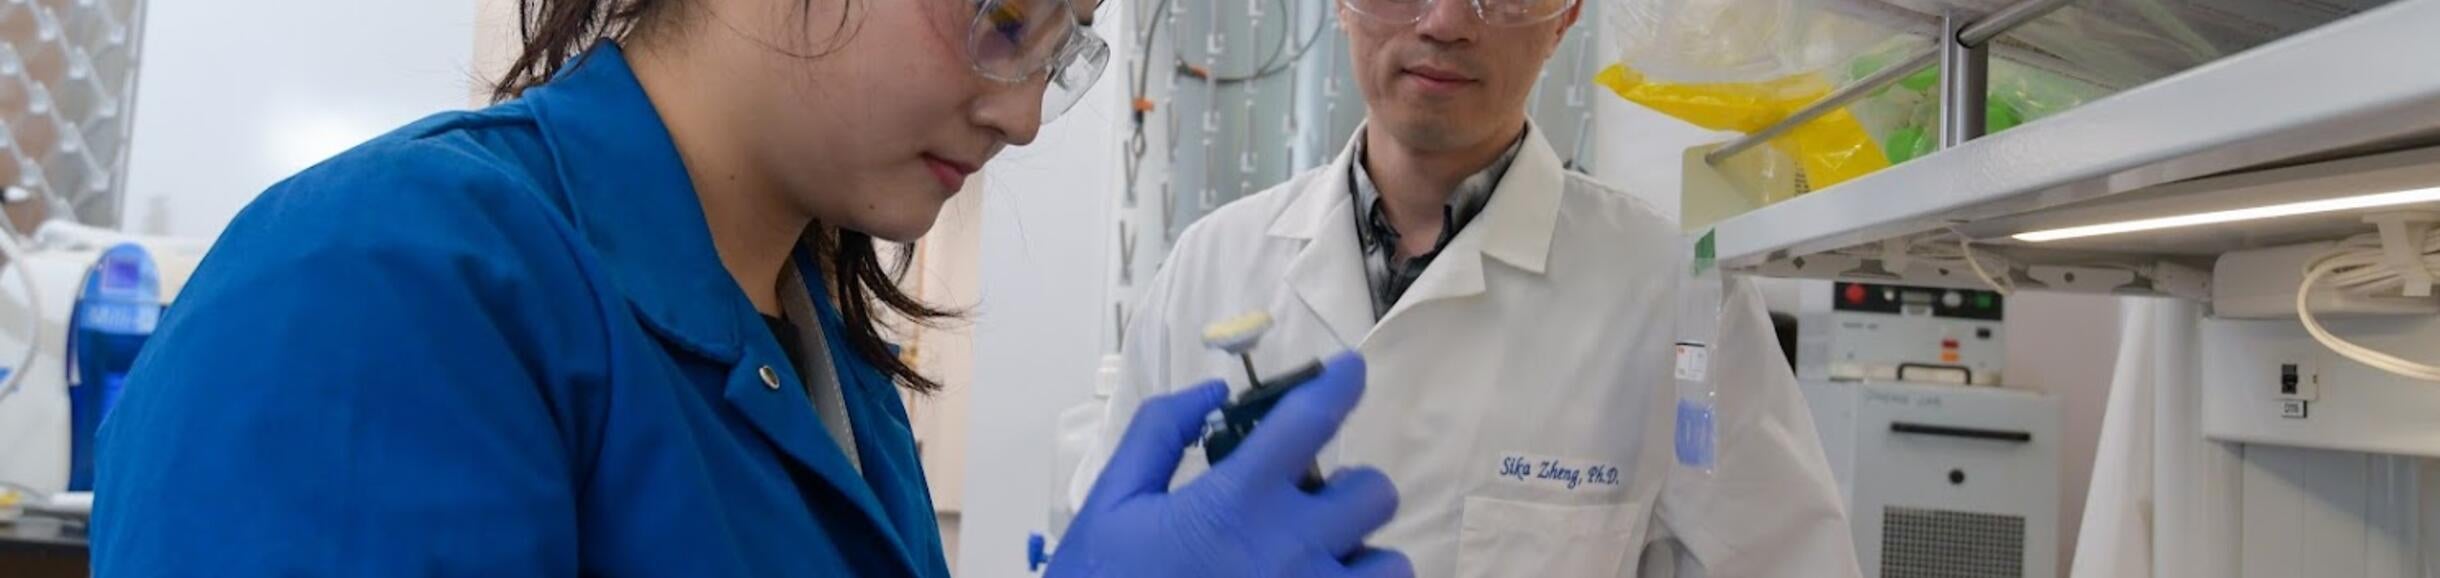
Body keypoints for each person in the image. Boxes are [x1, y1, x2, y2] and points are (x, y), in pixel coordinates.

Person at [89, 1, 1412, 576]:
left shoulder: (828, 364)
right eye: (1003, 16)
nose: (1020, 114)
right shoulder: (375, 289)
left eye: (1060, 51)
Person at [1084, 0, 1859, 576]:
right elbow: (1101, 538)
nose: (1448, 20)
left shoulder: (1670, 292)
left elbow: (1791, 561)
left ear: (1566, 17)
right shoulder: (1208, 265)